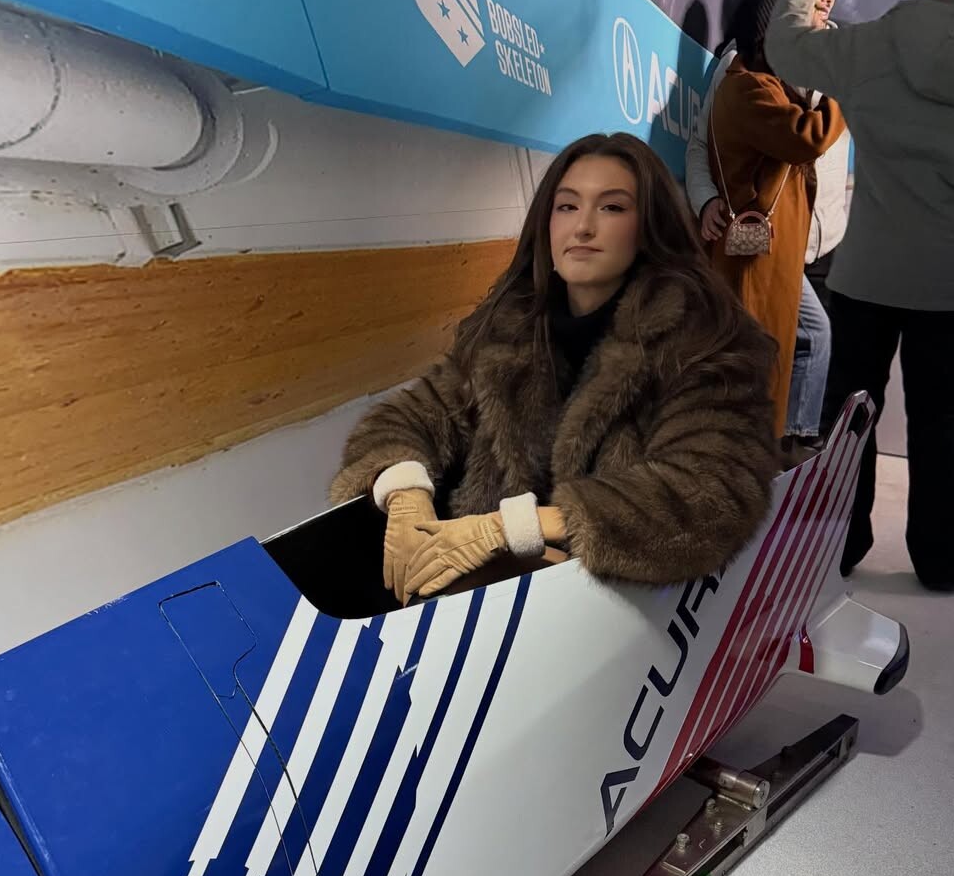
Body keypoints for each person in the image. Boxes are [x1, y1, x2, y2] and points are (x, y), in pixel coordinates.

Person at [330, 133, 779, 605]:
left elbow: (711, 495)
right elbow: (412, 415)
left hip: (611, 609)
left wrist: (512, 528)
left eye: (612, 208)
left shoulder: (703, 340)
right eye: (567, 206)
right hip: (484, 606)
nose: (583, 227)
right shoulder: (509, 327)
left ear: (650, 224)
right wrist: (406, 497)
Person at [766, 0, 954, 591]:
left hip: (868, 272)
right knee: (940, 410)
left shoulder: (884, 39)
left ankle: (835, 549)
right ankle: (945, 561)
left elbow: (787, 47)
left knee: (850, 412)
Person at [688, 0, 851, 454]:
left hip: (813, 238)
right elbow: (803, 135)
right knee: (767, 346)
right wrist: (706, 200)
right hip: (764, 239)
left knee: (795, 342)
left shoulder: (827, 54)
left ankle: (783, 445)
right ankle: (767, 449)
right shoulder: (750, 79)